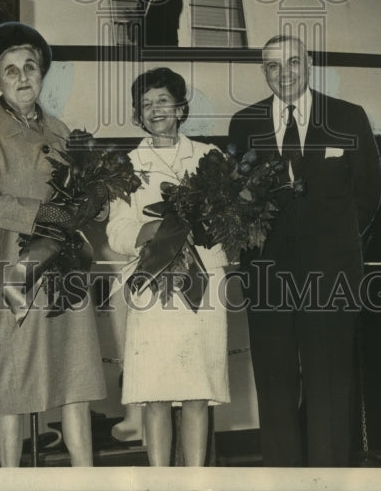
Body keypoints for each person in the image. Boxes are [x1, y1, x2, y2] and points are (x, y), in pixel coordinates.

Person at [228, 34, 381, 467]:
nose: (285, 73)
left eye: (293, 62)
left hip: (330, 274)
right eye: (273, 66)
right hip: (267, 275)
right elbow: (234, 196)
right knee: (274, 385)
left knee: (329, 382)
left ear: (309, 63)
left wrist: (333, 243)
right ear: (264, 71)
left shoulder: (348, 117)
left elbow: (370, 191)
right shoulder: (244, 123)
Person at [0, 22, 106, 467]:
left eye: (30, 66)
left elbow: (81, 198)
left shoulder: (62, 130)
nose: (23, 76)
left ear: (42, 72)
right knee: (15, 384)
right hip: (20, 270)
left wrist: (94, 204)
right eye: (10, 71)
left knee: (77, 378)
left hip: (69, 270)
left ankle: (85, 477)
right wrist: (48, 216)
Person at [107, 68, 229, 466]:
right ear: (137, 115)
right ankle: (160, 480)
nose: (155, 109)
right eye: (146, 104)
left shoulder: (211, 157)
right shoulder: (127, 165)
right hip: (153, 287)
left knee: (197, 392)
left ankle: (195, 480)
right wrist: (154, 229)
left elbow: (230, 224)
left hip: (202, 287)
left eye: (163, 100)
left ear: (180, 108)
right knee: (155, 394)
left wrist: (203, 226)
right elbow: (117, 232)